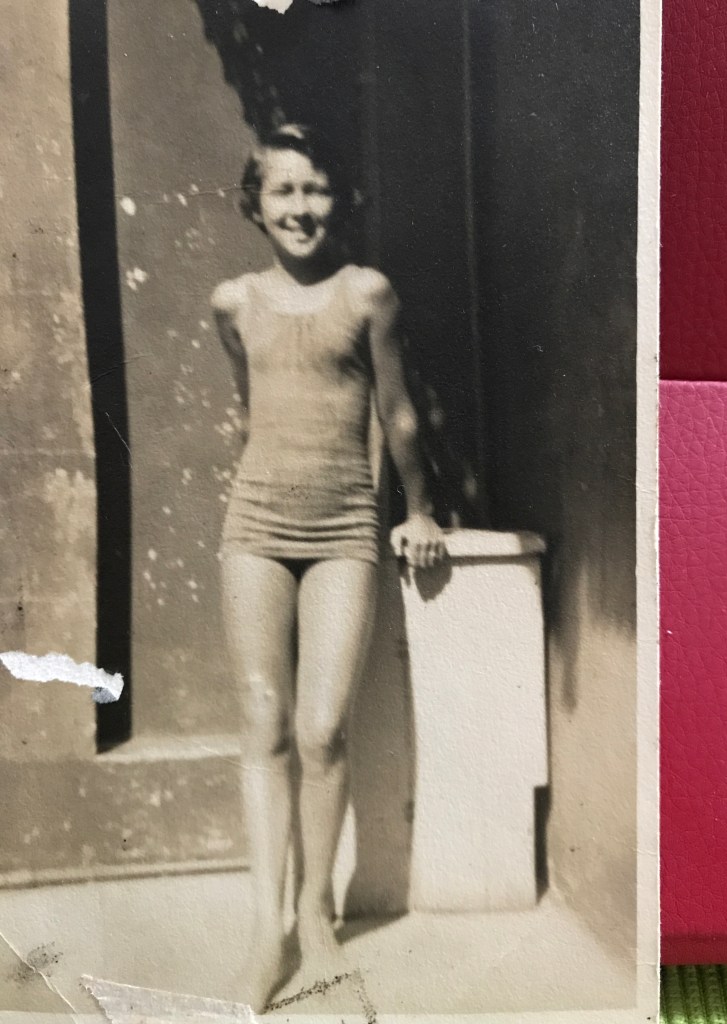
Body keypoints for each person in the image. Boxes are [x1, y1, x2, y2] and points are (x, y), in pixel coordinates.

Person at [212, 123, 445, 1011]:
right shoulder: (233, 302)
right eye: (283, 190)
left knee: (320, 730)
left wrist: (418, 509)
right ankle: (265, 932)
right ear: (255, 204)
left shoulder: (365, 292)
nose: (301, 206)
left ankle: (315, 913)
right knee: (262, 720)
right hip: (255, 528)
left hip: (347, 526)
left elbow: (399, 414)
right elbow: (250, 407)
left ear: (338, 199)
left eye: (315, 189)